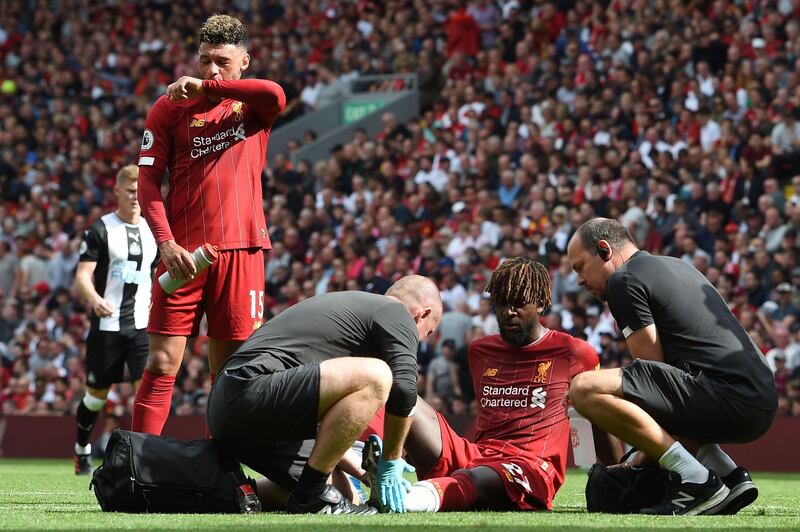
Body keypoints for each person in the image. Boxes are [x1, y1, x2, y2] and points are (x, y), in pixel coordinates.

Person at [133, 14, 286, 434]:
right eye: (204, 62)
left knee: (232, 371)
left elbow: (276, 93)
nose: (211, 70)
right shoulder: (169, 107)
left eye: (222, 61)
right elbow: (147, 180)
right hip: (182, 254)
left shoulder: (254, 106)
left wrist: (209, 87)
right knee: (162, 362)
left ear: (245, 61)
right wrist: (164, 243)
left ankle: (220, 468)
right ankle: (137, 466)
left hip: (242, 249)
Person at [566, 218, 778, 515]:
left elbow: (652, 372)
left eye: (579, 267)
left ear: (604, 250)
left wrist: (646, 453)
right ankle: (727, 474)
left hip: (727, 396)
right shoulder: (678, 265)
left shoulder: (622, 280)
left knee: (584, 388)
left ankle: (696, 481)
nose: (579, 280)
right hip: (761, 398)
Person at [364, 257, 599, 512]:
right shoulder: (479, 350)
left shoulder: (575, 352)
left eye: (519, 304)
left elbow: (597, 411)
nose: (509, 312)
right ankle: (362, 466)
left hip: (530, 467)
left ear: (541, 303)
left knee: (475, 478)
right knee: (398, 390)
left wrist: (609, 470)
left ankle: (401, 501)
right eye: (501, 304)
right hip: (476, 454)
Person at [206, 275, 442, 515]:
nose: (421, 340)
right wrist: (389, 464)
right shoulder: (396, 311)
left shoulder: (351, 321)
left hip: (233, 410)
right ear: (422, 314)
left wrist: (364, 475)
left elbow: (326, 427)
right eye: (428, 332)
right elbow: (404, 389)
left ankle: (228, 493)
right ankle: (312, 496)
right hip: (248, 388)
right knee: (379, 375)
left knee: (345, 494)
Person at [73, 165, 158, 474]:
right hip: (107, 325)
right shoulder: (100, 229)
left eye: (141, 191)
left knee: (145, 393)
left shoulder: (154, 231)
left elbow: (159, 273)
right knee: (96, 397)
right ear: (118, 192)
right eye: (131, 191)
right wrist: (94, 299)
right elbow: (83, 276)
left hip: (141, 326)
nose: (137, 197)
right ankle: (82, 447)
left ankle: (141, 462)